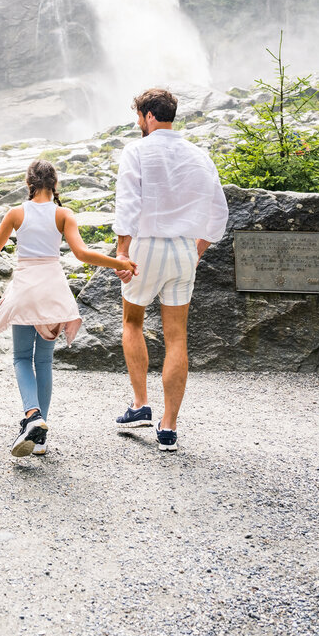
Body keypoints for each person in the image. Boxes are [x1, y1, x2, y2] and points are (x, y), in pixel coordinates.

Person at [0, 160, 137, 458]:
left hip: (25, 290)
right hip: (53, 290)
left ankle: (32, 416)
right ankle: (40, 438)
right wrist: (119, 262)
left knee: (22, 358)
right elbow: (82, 254)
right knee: (44, 361)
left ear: (29, 183)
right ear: (55, 184)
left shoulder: (16, 213)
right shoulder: (64, 214)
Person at [113, 87, 228, 452]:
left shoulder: (136, 151)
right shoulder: (199, 154)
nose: (138, 124)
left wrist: (122, 250)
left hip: (145, 247)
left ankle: (140, 405)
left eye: (138, 118)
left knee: (132, 322)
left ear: (148, 116)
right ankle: (168, 427)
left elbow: (128, 202)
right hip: (183, 248)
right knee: (177, 336)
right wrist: (198, 249)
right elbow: (218, 211)